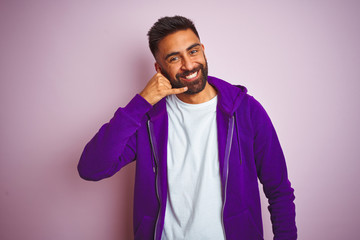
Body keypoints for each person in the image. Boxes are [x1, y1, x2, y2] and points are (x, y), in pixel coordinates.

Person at [78, 15, 297, 240]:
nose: (189, 65)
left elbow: (279, 191)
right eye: (174, 58)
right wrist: (141, 103)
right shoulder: (147, 120)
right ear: (159, 68)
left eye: (193, 51)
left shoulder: (246, 111)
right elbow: (91, 168)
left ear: (202, 49)